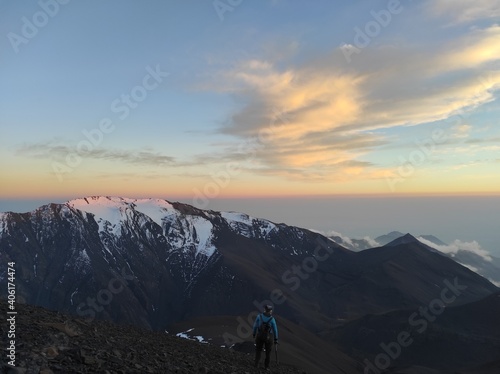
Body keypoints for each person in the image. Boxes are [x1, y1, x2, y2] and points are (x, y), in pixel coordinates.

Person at [252, 304, 279, 370]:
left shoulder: (259, 316)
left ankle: (256, 364)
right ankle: (266, 366)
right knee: (268, 352)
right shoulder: (272, 319)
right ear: (270, 311)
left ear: (265, 310)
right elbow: (275, 330)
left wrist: (254, 334)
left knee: (258, 350)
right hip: (269, 337)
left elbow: (255, 326)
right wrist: (276, 339)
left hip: (260, 336)